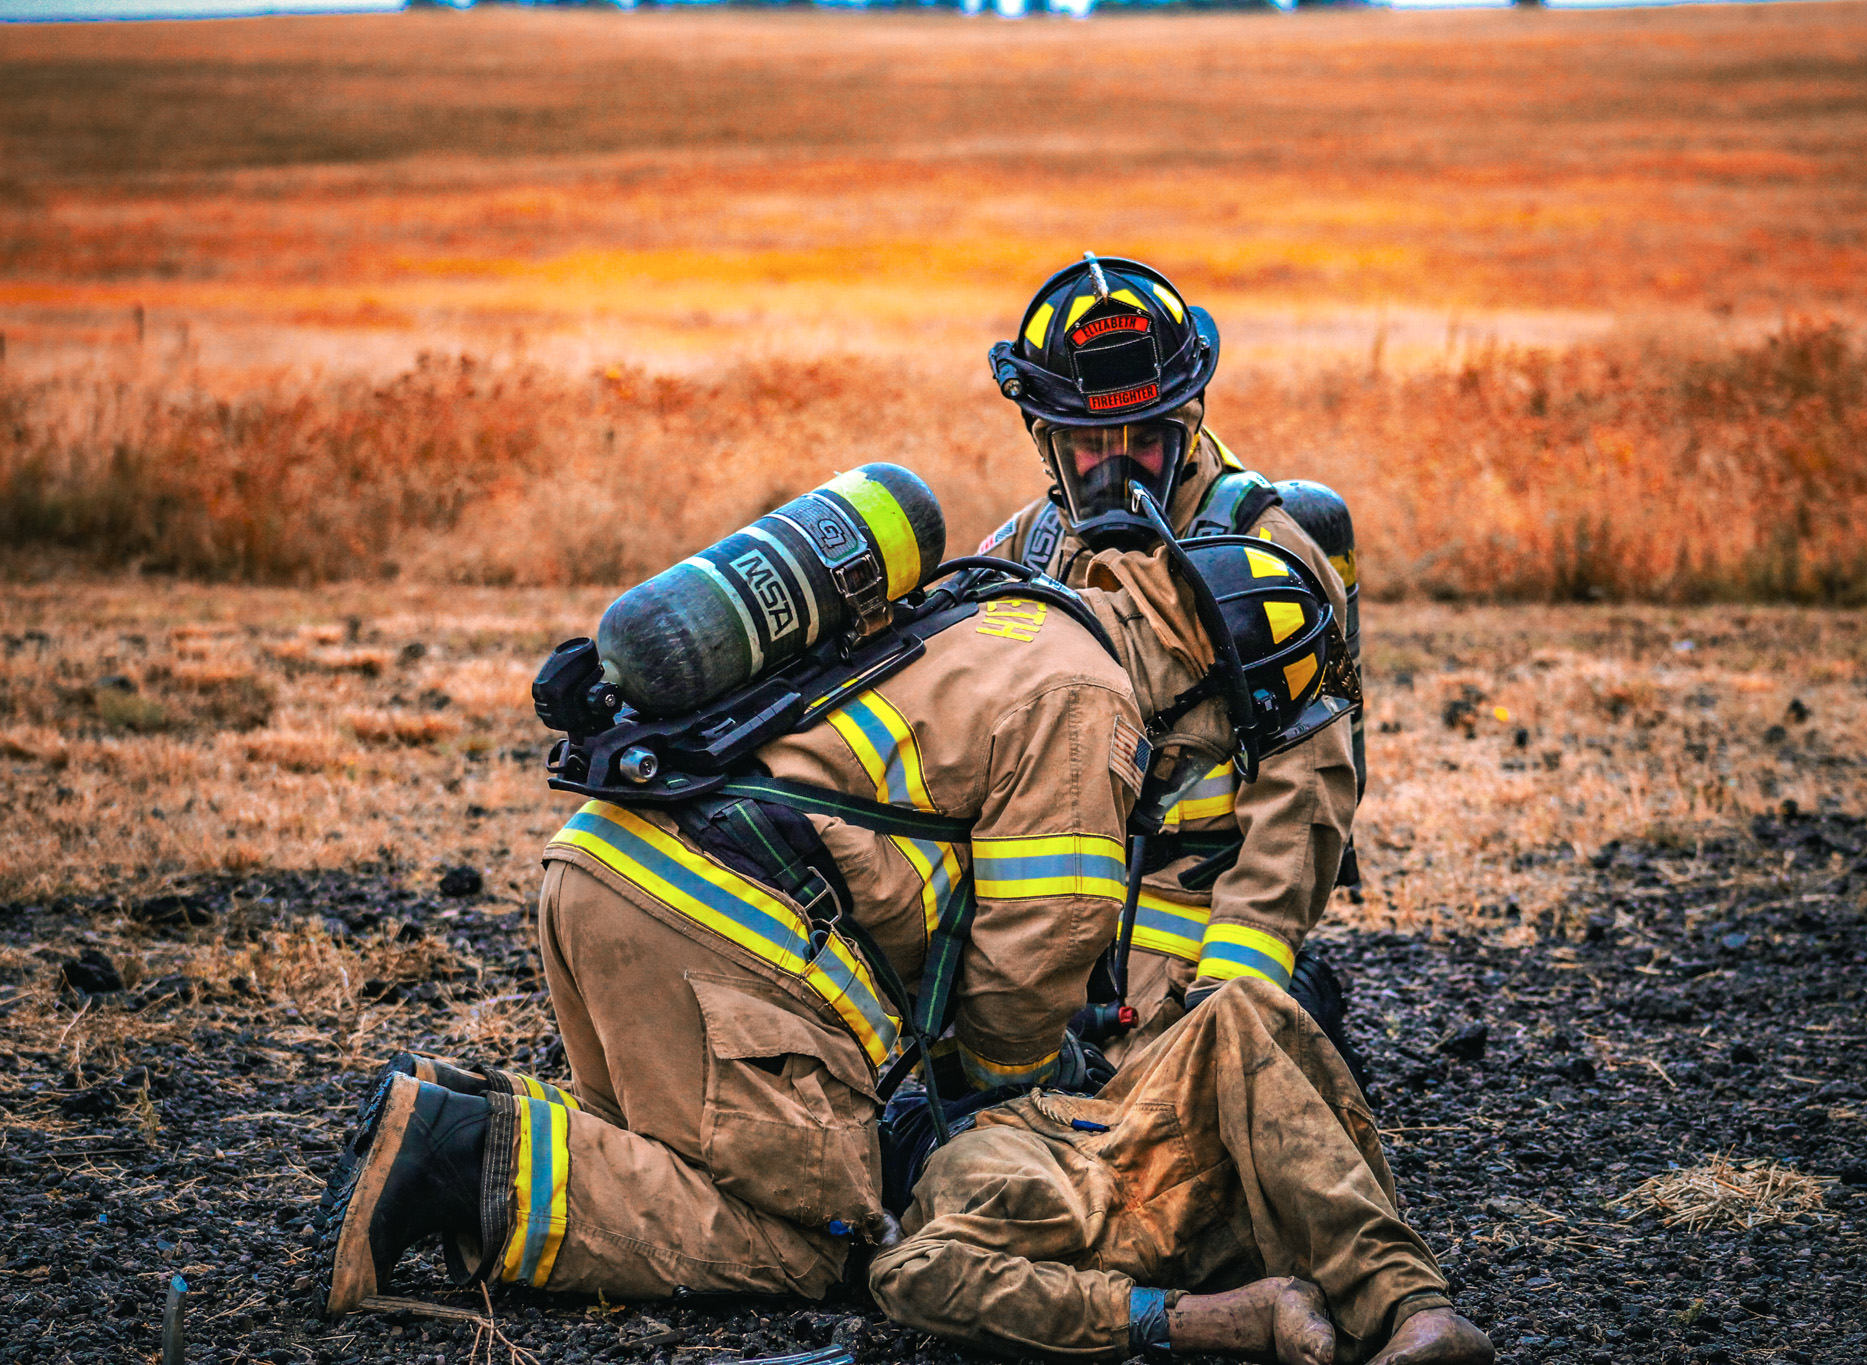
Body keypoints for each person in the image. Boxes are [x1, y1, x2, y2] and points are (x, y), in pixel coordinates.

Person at [316, 527, 1349, 1317]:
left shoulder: (998, 606)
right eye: (1231, 732)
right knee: (824, 1240)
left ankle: (448, 1113)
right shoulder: (1091, 701)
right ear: (1215, 686)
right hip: (719, 932)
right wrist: (1002, 1100)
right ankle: (453, 1152)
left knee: (661, 1159)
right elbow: (1042, 945)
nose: (1212, 755)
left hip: (607, 867)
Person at [980, 255, 1360, 1061]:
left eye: (1144, 440)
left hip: (1189, 937)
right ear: (1046, 442)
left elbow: (1306, 799)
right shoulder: (1027, 548)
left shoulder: (1264, 564)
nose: (1116, 467)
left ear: (1187, 425)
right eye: (1090, 445)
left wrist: (1231, 1001)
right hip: (1050, 944)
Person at [869, 977, 1493, 1365]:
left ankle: (1414, 1310)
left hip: (1103, 1128)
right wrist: (1208, 1322)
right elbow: (910, 1271)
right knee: (914, 1270)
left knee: (1243, 1007)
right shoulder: (955, 1160)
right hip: (999, 1152)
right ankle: (1358, 1309)